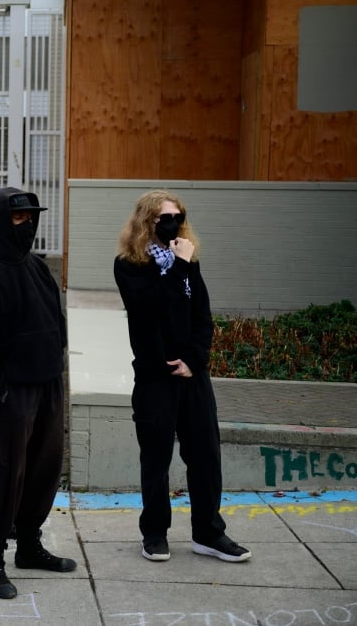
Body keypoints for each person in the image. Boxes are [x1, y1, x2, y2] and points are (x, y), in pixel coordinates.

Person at [113, 190, 251, 564]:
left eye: (178, 216)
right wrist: (178, 266)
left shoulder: (189, 261)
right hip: (155, 379)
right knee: (156, 461)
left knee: (205, 456)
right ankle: (155, 534)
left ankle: (208, 532)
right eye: (164, 218)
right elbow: (151, 308)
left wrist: (194, 360)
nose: (173, 223)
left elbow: (202, 317)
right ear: (147, 222)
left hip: (192, 377)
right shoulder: (129, 266)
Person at [0, 188, 74, 600]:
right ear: (1, 221)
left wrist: (55, 367)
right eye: (18, 218)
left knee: (45, 469)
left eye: (31, 218)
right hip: (12, 396)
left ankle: (29, 546)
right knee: (7, 477)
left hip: (48, 386)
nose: (26, 225)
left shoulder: (37, 268)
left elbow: (56, 320)